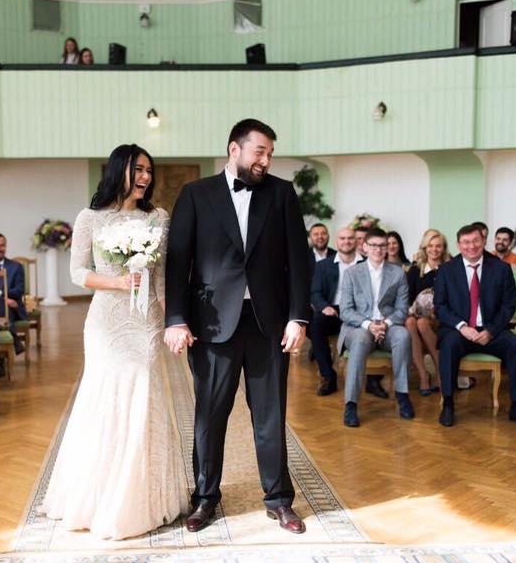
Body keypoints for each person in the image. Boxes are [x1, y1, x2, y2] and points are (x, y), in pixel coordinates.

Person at [165, 119, 312, 535]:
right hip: (212, 325)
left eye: (270, 154)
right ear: (235, 149)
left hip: (270, 324)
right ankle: (205, 498)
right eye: (259, 152)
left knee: (271, 416)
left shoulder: (282, 194)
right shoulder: (195, 194)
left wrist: (298, 317)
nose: (266, 161)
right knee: (210, 416)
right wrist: (176, 318)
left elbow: (299, 260)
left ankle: (279, 500)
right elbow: (178, 261)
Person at [44, 144, 185, 540]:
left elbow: (161, 277)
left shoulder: (158, 217)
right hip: (106, 322)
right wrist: (119, 282)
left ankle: (143, 498)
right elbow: (77, 273)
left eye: (149, 171)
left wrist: (173, 321)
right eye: (138, 169)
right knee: (106, 398)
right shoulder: (89, 218)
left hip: (146, 322)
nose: (145, 177)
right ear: (118, 170)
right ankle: (99, 497)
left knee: (144, 395)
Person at [434, 224, 516, 428]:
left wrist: (490, 330)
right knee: (448, 345)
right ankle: (448, 404)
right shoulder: (447, 269)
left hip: (492, 330)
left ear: (483, 242)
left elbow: (508, 306)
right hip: (460, 331)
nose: (471, 246)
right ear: (458, 245)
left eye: (475, 241)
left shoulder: (501, 268)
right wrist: (462, 327)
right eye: (466, 242)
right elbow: (440, 306)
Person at [338, 228, 412, 427]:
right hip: (358, 327)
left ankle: (402, 395)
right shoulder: (352, 273)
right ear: (364, 247)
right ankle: (351, 404)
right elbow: (345, 310)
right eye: (373, 245)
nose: (378, 250)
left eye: (382, 246)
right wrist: (369, 325)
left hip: (388, 326)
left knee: (403, 335)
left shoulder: (398, 273)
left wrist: (385, 324)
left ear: (387, 248)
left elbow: (402, 309)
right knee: (361, 339)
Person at [309, 227, 358, 396]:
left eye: (350, 238)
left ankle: (373, 380)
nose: (346, 241)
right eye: (342, 238)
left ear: (356, 241)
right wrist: (324, 306)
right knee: (315, 324)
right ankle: (328, 376)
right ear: (336, 242)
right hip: (334, 311)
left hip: (359, 312)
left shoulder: (365, 263)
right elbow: (315, 292)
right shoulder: (323, 265)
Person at [404, 228, 450, 396]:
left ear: (443, 248)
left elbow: (454, 298)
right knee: (410, 322)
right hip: (417, 316)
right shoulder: (415, 270)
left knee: (422, 323)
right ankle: (423, 375)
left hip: (441, 318)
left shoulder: (450, 269)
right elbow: (408, 298)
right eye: (430, 246)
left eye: (438, 246)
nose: (434, 249)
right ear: (424, 247)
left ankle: (440, 372)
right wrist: (413, 312)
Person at [0, 233, 27, 358]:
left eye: (2, 245)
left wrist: (1, 294)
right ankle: (13, 340)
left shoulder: (16, 267)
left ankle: (0, 358)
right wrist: (0, 298)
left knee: (4, 305)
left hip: (14, 307)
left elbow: (19, 290)